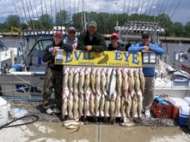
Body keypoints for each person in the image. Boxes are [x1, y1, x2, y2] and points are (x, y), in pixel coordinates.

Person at [129, 33, 165, 118]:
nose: (145, 39)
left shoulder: (153, 46)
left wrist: (150, 48)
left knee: (150, 92)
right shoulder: (138, 45)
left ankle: (147, 108)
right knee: (139, 92)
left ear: (149, 38)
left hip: (150, 74)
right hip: (139, 73)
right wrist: (141, 48)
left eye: (147, 38)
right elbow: (130, 50)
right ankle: (139, 108)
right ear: (142, 39)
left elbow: (162, 51)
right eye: (144, 38)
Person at [42, 31, 64, 114]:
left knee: (59, 89)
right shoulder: (49, 47)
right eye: (56, 37)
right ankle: (46, 106)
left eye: (59, 37)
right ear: (54, 37)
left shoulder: (64, 46)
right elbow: (44, 59)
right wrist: (52, 54)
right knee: (47, 88)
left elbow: (70, 49)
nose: (57, 38)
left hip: (60, 70)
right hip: (51, 68)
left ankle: (58, 107)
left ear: (62, 38)